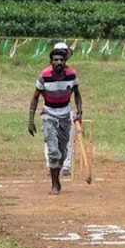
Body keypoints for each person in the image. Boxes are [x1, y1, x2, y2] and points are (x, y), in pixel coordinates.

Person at [28, 45, 83, 195]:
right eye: (55, 60)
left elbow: (77, 94)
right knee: (53, 151)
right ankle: (54, 184)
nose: (58, 62)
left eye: (61, 59)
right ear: (51, 61)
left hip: (65, 116)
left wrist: (80, 112)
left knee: (63, 153)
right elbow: (34, 98)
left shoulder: (71, 74)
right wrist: (30, 120)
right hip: (48, 115)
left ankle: (56, 176)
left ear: (65, 61)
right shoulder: (44, 75)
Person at [43, 42, 75, 177]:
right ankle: (51, 165)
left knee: (67, 140)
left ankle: (66, 166)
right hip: (50, 113)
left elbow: (74, 92)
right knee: (51, 141)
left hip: (66, 112)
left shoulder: (71, 73)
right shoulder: (47, 74)